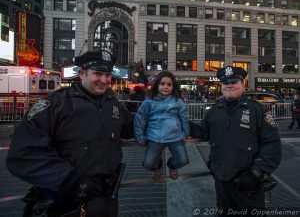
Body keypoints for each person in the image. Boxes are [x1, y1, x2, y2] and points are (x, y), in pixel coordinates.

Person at [6, 49, 133, 217]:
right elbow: (23, 153)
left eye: (108, 75)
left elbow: (132, 128)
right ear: (81, 74)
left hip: (104, 198)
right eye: (98, 74)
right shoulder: (55, 104)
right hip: (64, 199)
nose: (104, 80)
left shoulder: (113, 104)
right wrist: (70, 180)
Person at [196, 66, 281, 216]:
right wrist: (177, 119)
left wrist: (256, 172)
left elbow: (272, 145)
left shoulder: (258, 110)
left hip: (249, 184)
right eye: (225, 82)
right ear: (221, 86)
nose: (229, 85)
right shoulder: (214, 110)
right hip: (222, 182)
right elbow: (202, 134)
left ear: (243, 84)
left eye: (234, 81)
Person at [134, 71, 190, 180]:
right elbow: (139, 118)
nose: (166, 87)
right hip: (154, 138)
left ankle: (172, 166)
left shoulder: (178, 101)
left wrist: (185, 134)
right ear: (157, 85)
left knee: (183, 161)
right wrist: (139, 137)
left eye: (169, 84)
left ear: (173, 86)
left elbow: (184, 117)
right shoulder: (149, 101)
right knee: (148, 164)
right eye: (162, 84)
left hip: (175, 137)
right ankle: (157, 165)